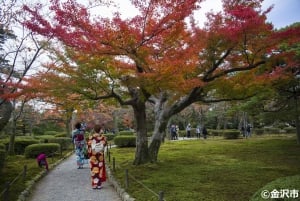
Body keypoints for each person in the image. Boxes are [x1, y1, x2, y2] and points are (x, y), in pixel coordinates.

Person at [87, 124, 107, 189]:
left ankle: (94, 184)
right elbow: (105, 144)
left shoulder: (90, 137)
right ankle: (99, 185)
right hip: (100, 156)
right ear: (100, 130)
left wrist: (90, 154)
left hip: (93, 156)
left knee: (94, 170)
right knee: (100, 169)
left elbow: (89, 147)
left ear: (94, 130)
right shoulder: (103, 137)